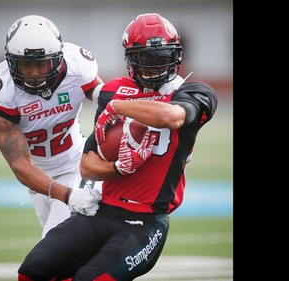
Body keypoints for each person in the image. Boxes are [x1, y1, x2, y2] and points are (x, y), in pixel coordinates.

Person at [16, 12, 218, 281]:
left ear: (176, 55)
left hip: (146, 223)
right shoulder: (114, 89)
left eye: (162, 56)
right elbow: (87, 166)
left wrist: (119, 107)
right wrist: (119, 167)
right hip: (103, 210)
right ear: (131, 58)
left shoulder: (194, 91)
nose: (155, 65)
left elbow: (172, 117)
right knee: (33, 269)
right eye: (146, 57)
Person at [0, 14, 104, 239]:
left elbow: (108, 105)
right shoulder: (2, 91)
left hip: (75, 165)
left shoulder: (76, 67)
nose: (35, 74)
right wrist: (66, 195)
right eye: (26, 66)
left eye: (42, 64)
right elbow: (19, 163)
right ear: (11, 61)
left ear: (57, 59)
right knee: (67, 255)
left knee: (52, 249)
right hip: (36, 177)